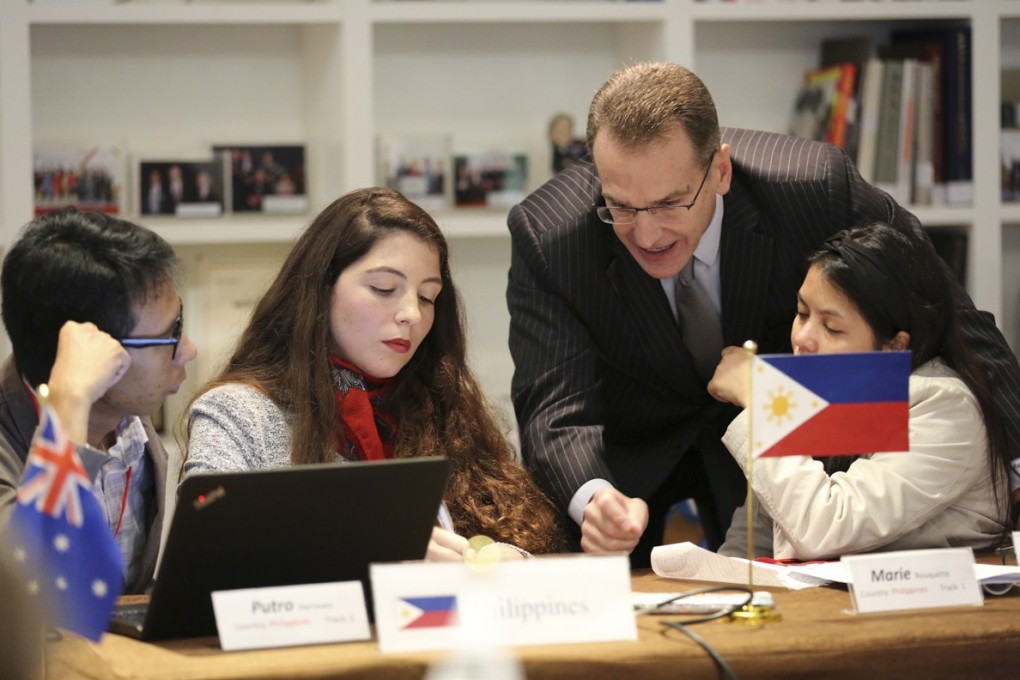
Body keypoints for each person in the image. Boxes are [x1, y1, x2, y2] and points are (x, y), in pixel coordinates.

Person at [506, 61, 1020, 567]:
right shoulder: (550, 235)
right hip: (632, 456)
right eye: (620, 206)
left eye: (671, 203)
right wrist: (594, 499)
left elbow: (953, 317)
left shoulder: (813, 187)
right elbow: (554, 401)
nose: (647, 234)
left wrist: (1011, 463)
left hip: (800, 442)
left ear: (720, 170)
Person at [184, 187, 563, 559]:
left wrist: (507, 562)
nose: (411, 314)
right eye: (384, 289)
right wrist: (378, 548)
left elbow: (518, 535)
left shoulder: (444, 405)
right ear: (321, 288)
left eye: (427, 297)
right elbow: (205, 549)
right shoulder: (236, 413)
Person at [710, 223, 1012, 559]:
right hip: (827, 607)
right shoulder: (824, 392)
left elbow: (824, 528)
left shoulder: (943, 405)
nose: (803, 339)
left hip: (933, 609)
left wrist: (763, 399)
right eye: (802, 313)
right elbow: (750, 544)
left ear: (894, 346)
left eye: (832, 327)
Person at [0, 209, 197, 593]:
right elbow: (30, 587)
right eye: (169, 334)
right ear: (87, 350)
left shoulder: (129, 425)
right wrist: (70, 402)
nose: (187, 350)